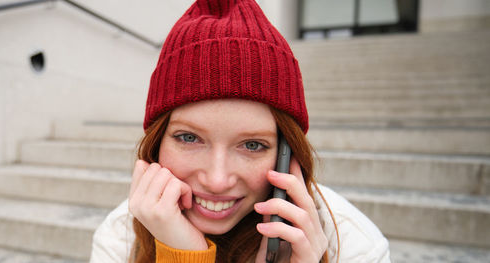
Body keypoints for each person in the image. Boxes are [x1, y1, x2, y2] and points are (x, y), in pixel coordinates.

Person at [90, 0, 390, 262]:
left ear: (288, 153)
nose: (217, 181)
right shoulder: (120, 238)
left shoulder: (354, 246)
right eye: (189, 137)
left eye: (252, 145)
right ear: (156, 144)